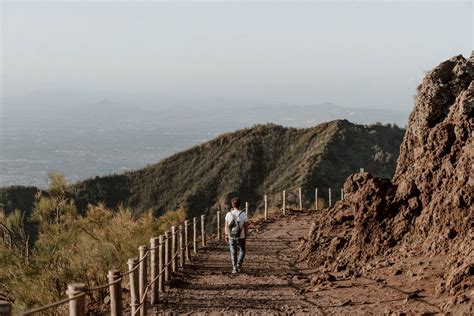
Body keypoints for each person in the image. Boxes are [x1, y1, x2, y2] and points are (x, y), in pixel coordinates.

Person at [224, 197, 248, 274]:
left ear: (232, 205)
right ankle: (239, 264)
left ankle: (234, 268)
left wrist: (226, 235)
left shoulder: (228, 214)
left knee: (233, 252)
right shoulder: (244, 214)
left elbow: (226, 226)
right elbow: (246, 226)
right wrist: (245, 235)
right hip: (241, 236)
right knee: (242, 250)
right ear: (239, 204)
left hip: (231, 236)